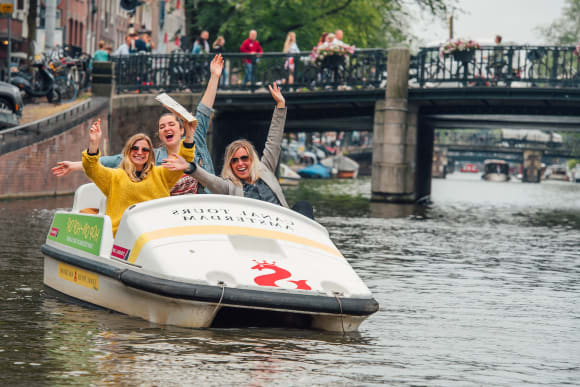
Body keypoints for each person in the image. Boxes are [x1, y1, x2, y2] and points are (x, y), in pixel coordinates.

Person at [52, 55, 225, 195]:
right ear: (159, 135)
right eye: (162, 127)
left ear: (182, 129)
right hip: (172, 215)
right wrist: (74, 166)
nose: (166, 128)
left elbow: (204, 109)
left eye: (171, 124)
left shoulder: (196, 138)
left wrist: (214, 76)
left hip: (207, 207)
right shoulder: (151, 157)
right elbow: (111, 161)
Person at [162, 83, 314, 219]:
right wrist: (189, 167)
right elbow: (207, 178)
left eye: (244, 158)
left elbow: (274, 141)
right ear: (230, 165)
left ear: (251, 159)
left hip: (284, 224)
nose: (240, 163)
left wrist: (280, 106)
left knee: (304, 205)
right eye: (234, 160)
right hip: (256, 229)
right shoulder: (229, 186)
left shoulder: (265, 169)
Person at [82, 118, 195, 236]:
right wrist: (94, 144)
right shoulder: (114, 177)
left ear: (150, 154)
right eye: (135, 148)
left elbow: (184, 160)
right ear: (128, 152)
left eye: (145, 149)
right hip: (123, 239)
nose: (139, 152)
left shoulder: (161, 174)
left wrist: (189, 134)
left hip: (156, 235)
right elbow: (91, 168)